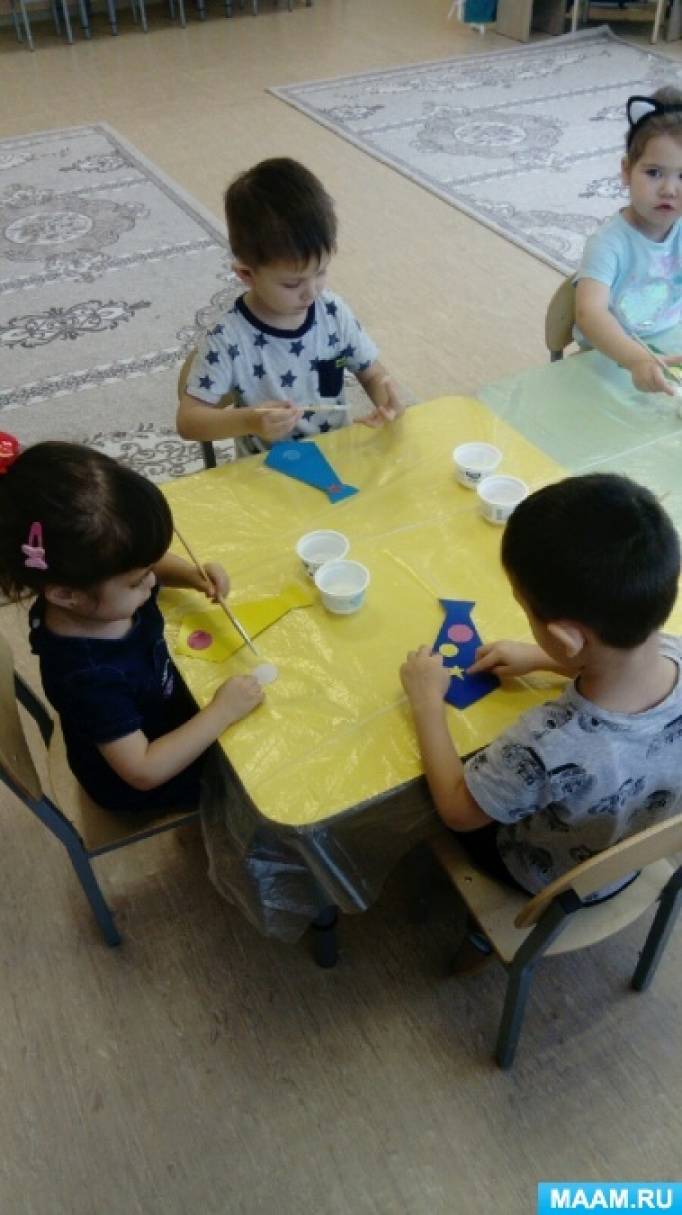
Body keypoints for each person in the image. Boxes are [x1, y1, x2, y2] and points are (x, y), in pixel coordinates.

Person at [400, 474, 681, 970]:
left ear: (569, 637)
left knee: (423, 795)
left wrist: (426, 702)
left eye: (526, 611)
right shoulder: (673, 650)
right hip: (635, 851)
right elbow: (616, 662)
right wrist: (542, 657)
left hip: (545, 875)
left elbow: (459, 811)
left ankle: (481, 935)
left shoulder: (545, 744)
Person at [0, 438, 263, 813]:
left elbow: (145, 564)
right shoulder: (90, 677)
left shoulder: (88, 591)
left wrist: (192, 575)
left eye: (148, 569)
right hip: (144, 779)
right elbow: (143, 770)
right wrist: (222, 712)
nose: (152, 582)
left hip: (160, 711)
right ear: (66, 594)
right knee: (258, 775)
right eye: (138, 581)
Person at [176, 157, 403, 457]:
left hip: (335, 457)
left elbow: (372, 374)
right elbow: (188, 421)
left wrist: (386, 401)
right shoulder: (228, 339)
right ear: (246, 274)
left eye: (320, 272)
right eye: (292, 284)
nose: (311, 292)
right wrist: (250, 421)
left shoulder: (332, 312)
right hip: (266, 468)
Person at [574, 87, 682, 397]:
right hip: (610, 355)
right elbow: (590, 313)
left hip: (669, 342)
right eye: (654, 173)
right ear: (626, 171)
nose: (669, 190)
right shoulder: (608, 243)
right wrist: (636, 359)